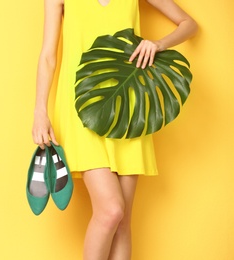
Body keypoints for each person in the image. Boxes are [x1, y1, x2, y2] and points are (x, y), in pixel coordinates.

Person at [31, 0, 197, 259]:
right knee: (111, 211)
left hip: (128, 108)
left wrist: (158, 44)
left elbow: (189, 24)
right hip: (81, 106)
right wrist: (40, 110)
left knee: (122, 223)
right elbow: (48, 56)